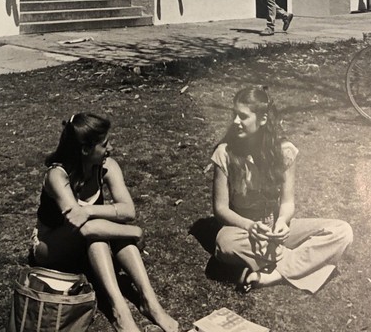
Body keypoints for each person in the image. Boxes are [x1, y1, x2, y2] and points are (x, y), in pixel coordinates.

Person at [30, 113, 178, 332]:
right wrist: (134, 231)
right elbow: (84, 227)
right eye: (105, 144)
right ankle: (120, 312)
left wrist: (87, 210)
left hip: (86, 238)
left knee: (108, 238)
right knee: (103, 235)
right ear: (85, 149)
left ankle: (151, 304)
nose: (111, 148)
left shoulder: (107, 166)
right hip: (50, 246)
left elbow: (128, 210)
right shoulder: (57, 176)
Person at [212, 86, 353, 294]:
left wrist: (281, 223)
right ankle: (302, 259)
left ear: (262, 119)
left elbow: (287, 203)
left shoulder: (284, 152)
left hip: (275, 228)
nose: (235, 121)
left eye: (242, 116)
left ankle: (272, 274)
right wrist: (250, 227)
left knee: (342, 231)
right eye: (234, 114)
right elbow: (220, 210)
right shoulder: (224, 153)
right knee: (224, 243)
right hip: (243, 230)